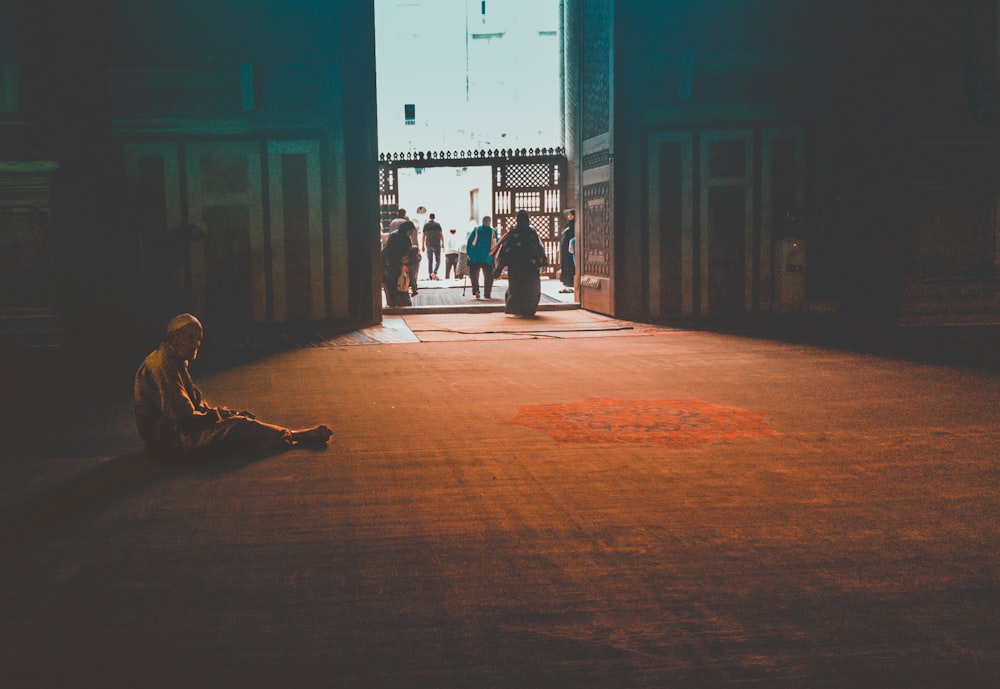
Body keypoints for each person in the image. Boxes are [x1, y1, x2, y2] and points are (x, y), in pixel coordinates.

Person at [133, 314, 332, 461]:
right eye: (191, 338)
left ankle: (282, 435)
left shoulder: (173, 360)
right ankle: (296, 435)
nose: (196, 345)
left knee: (237, 424)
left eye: (199, 339)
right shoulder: (163, 364)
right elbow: (183, 415)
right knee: (239, 426)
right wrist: (224, 417)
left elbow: (195, 408)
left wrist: (224, 413)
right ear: (175, 338)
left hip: (170, 437)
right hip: (170, 443)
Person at [492, 209, 548, 316]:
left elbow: (505, 250)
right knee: (531, 289)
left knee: (516, 288)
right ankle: (529, 310)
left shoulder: (513, 233)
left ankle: (517, 310)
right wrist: (542, 261)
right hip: (530, 267)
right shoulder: (532, 232)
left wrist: (500, 267)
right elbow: (538, 249)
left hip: (515, 267)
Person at [382, 220, 415, 306]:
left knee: (399, 285)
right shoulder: (395, 237)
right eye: (410, 231)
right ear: (407, 230)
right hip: (391, 264)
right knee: (393, 285)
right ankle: (395, 303)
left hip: (398, 264)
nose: (411, 233)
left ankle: (397, 302)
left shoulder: (404, 237)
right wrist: (400, 260)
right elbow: (389, 252)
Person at [466, 215, 498, 299]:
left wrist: (469, 253)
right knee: (488, 277)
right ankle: (487, 294)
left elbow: (469, 241)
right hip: (487, 258)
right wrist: (495, 256)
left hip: (475, 257)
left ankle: (476, 290)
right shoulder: (493, 231)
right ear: (489, 222)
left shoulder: (476, 229)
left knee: (474, 275)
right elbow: (496, 244)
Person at [421, 213, 444, 280]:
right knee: (438, 260)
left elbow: (423, 236)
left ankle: (430, 275)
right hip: (436, 244)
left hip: (428, 244)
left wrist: (422, 246)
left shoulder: (426, 225)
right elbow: (441, 234)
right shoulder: (437, 225)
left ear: (429, 217)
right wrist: (443, 243)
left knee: (430, 260)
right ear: (434, 217)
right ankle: (434, 272)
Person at [559, 208, 576, 293]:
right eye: (569, 215)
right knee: (566, 264)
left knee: (570, 264)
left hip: (571, 250)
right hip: (565, 249)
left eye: (571, 215)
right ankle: (566, 280)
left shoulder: (574, 225)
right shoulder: (568, 225)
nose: (569, 216)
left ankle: (571, 281)